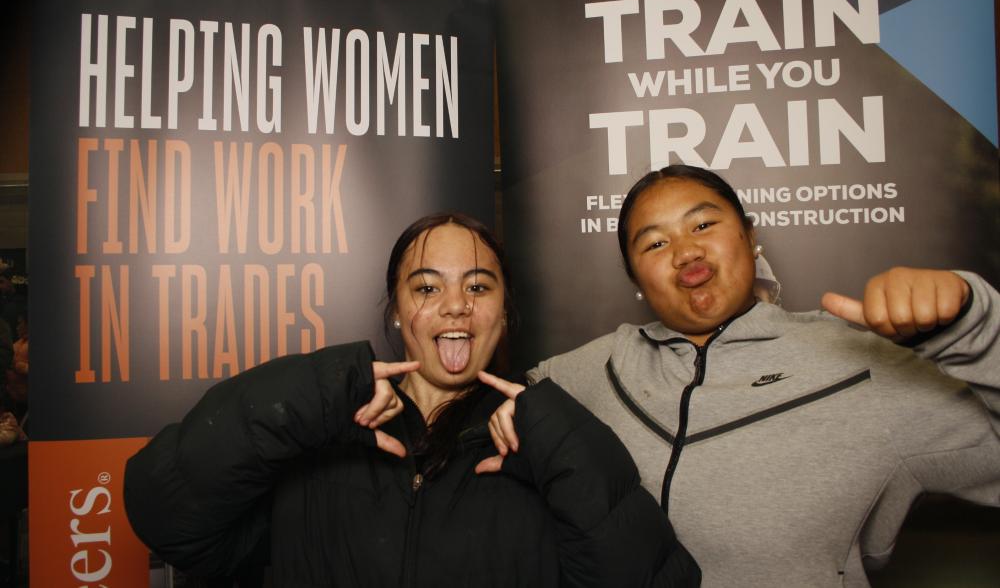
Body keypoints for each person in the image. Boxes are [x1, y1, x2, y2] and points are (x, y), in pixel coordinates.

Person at [485, 165, 1000, 587]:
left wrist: (972, 326)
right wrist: (514, 416)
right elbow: (492, 415)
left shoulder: (861, 367)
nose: (686, 252)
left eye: (703, 226)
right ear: (635, 277)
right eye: (655, 244)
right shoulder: (586, 372)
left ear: (751, 237)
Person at [124, 212, 700, 587]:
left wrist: (562, 443)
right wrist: (314, 395)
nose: (455, 304)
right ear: (397, 311)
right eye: (427, 287)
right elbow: (165, 514)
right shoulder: (320, 435)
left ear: (504, 313)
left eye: (478, 286)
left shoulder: (543, 441)